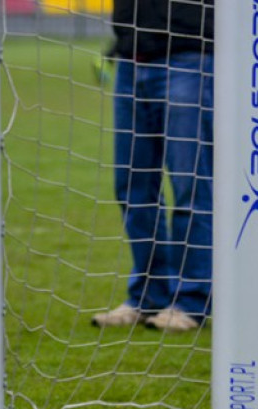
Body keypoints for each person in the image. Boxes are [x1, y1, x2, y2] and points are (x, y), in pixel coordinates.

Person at [91, 0, 214, 332]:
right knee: (133, 187)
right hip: (132, 57)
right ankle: (148, 296)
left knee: (191, 184)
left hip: (190, 54)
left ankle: (192, 300)